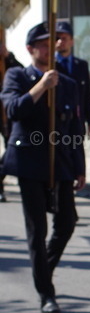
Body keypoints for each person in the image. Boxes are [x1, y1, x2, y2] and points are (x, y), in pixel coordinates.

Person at [1, 23, 86, 313]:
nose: (52, 48)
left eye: (55, 43)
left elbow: (74, 128)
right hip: (29, 161)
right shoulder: (17, 75)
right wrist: (41, 87)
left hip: (60, 161)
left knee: (67, 223)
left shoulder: (69, 83)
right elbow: (14, 111)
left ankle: (43, 271)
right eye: (45, 44)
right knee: (38, 229)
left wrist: (79, 166)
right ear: (31, 49)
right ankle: (46, 294)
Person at [54, 20, 90, 140]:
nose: (60, 42)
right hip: (57, 125)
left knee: (77, 157)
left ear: (72, 41)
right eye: (57, 38)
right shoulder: (49, 65)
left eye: (64, 38)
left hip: (77, 122)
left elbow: (87, 95)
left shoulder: (81, 65)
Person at [0, 36, 24, 203]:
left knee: (12, 148)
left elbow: (21, 74)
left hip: (5, 113)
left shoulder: (8, 61)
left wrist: (8, 56)